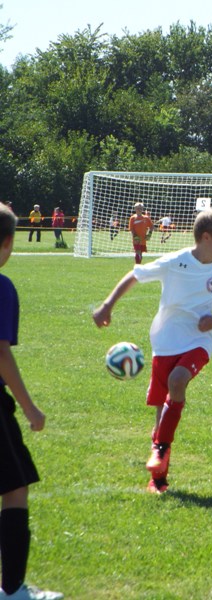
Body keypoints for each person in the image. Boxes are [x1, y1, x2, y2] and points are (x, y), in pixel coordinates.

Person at [93, 209, 212, 494]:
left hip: (199, 342)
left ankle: (159, 448)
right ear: (206, 238)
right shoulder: (175, 262)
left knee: (177, 380)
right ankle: (158, 479)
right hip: (166, 340)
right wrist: (108, 305)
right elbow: (135, 275)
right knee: (161, 411)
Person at [0, 204, 64, 600]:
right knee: (15, 487)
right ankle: (12, 590)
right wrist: (29, 407)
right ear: (8, 242)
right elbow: (0, 353)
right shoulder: (2, 287)